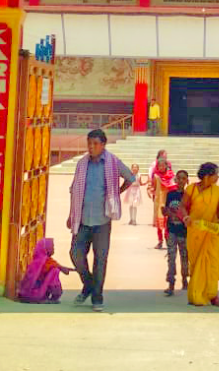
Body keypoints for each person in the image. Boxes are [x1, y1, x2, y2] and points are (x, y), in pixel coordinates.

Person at [67, 128, 135, 312]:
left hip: (102, 221)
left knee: (100, 259)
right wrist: (70, 215)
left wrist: (116, 193)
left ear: (103, 145)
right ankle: (89, 283)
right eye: (89, 143)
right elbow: (74, 189)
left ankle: (97, 297)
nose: (91, 147)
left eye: (95, 144)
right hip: (82, 219)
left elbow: (130, 177)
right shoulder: (82, 164)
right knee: (75, 254)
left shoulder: (112, 162)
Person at [182, 162, 219, 307]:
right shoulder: (191, 189)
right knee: (196, 264)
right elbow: (183, 206)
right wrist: (185, 217)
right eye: (215, 174)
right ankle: (196, 294)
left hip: (211, 232)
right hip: (195, 231)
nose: (218, 177)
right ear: (207, 176)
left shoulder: (217, 191)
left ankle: (213, 295)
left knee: (212, 264)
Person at [17, 237, 73, 304]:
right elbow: (55, 266)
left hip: (26, 294)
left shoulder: (39, 260)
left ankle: (42, 297)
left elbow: (56, 264)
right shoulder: (44, 261)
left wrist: (62, 268)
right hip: (34, 294)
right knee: (55, 271)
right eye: (52, 246)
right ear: (46, 248)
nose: (54, 248)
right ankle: (52, 297)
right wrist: (62, 268)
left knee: (54, 269)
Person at [162, 169, 189, 296]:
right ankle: (171, 283)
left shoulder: (188, 196)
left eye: (184, 178)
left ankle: (185, 279)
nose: (181, 181)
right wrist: (166, 212)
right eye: (179, 178)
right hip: (172, 230)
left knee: (184, 257)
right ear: (175, 180)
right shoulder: (170, 194)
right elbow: (166, 210)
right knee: (171, 258)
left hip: (184, 232)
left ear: (187, 181)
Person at [150, 156, 176, 249]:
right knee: (159, 224)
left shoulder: (171, 176)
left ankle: (169, 241)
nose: (161, 168)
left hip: (169, 201)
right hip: (159, 201)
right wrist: (150, 191)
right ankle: (160, 241)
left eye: (163, 165)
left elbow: (174, 187)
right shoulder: (156, 176)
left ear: (166, 166)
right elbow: (153, 186)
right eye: (159, 166)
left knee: (168, 223)